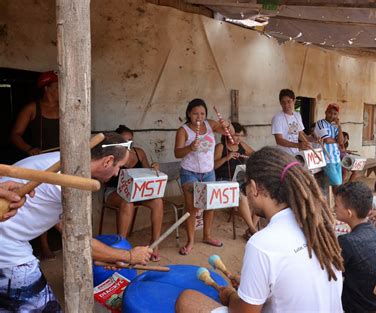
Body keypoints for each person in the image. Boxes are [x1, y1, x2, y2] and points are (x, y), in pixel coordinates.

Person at [176, 146, 344, 313]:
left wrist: (231, 296)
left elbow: (244, 312)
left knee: (187, 299)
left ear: (254, 188)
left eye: (245, 187)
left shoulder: (262, 244)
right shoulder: (320, 225)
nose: (246, 194)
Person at [0, 133, 153, 312]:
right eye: (118, 166)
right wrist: (128, 256)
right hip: (7, 248)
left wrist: (108, 255)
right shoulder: (71, 180)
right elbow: (77, 240)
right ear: (107, 161)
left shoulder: (61, 164)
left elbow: (63, 225)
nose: (117, 173)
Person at [10, 70, 61, 260]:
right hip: (40, 163)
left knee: (60, 201)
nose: (61, 90)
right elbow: (15, 135)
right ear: (47, 88)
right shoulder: (33, 108)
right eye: (57, 87)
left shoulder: (65, 108)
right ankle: (44, 245)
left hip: (61, 160)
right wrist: (30, 149)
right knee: (41, 202)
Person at [174, 98, 235, 256]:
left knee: (210, 205)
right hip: (189, 172)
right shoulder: (183, 130)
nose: (199, 117)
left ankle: (207, 236)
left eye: (202, 113)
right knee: (192, 207)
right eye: (195, 113)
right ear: (189, 113)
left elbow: (230, 134)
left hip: (208, 172)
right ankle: (190, 241)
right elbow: (177, 153)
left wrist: (227, 124)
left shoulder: (210, 124)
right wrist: (189, 147)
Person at [105, 125, 163, 261]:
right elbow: (103, 179)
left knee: (158, 201)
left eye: (130, 141)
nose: (128, 145)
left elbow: (148, 173)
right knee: (127, 202)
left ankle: (155, 244)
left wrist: (154, 167)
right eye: (124, 141)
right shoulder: (111, 155)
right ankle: (122, 246)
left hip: (138, 192)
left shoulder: (139, 153)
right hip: (114, 192)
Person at [334, 181, 376, 313]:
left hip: (359, 306)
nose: (333, 208)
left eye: (336, 205)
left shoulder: (346, 241)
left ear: (349, 213)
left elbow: (332, 272)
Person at [214, 122, 258, 238]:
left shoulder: (242, 146)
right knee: (241, 197)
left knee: (260, 194)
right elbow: (213, 166)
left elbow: (255, 155)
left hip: (240, 180)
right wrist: (226, 158)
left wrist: (251, 160)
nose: (239, 139)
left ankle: (250, 229)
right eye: (236, 135)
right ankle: (253, 231)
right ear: (228, 134)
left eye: (241, 136)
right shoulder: (221, 147)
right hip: (224, 181)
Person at [271, 89, 312, 155]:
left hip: (295, 154)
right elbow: (279, 140)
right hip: (283, 155)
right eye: (283, 102)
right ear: (280, 103)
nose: (286, 105)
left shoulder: (297, 115)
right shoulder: (277, 118)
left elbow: (301, 135)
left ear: (294, 101)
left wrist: (313, 139)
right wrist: (298, 145)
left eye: (289, 101)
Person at [314, 103, 344, 187]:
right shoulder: (321, 123)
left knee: (337, 185)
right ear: (325, 112)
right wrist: (337, 140)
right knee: (337, 184)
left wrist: (339, 126)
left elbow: (341, 141)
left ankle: (332, 200)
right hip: (327, 159)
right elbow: (327, 140)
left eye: (335, 114)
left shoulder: (335, 126)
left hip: (336, 159)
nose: (332, 115)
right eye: (330, 112)